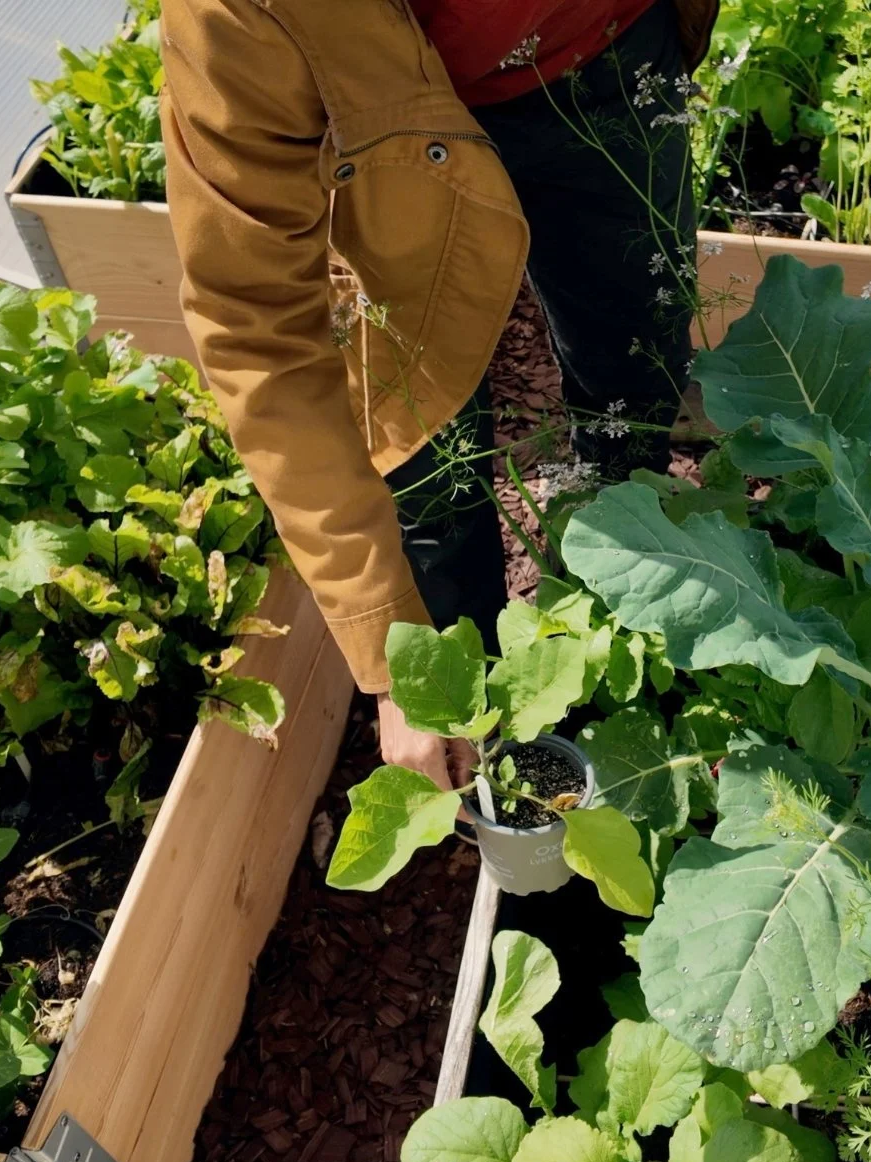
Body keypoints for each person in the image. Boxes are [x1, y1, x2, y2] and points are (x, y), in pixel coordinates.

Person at [161, 0, 716, 786]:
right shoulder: (239, 14)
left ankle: (613, 610)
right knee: (425, 450)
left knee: (635, 371)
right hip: (382, 144)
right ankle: (476, 732)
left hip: (610, 52)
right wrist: (392, 650)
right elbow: (254, 321)